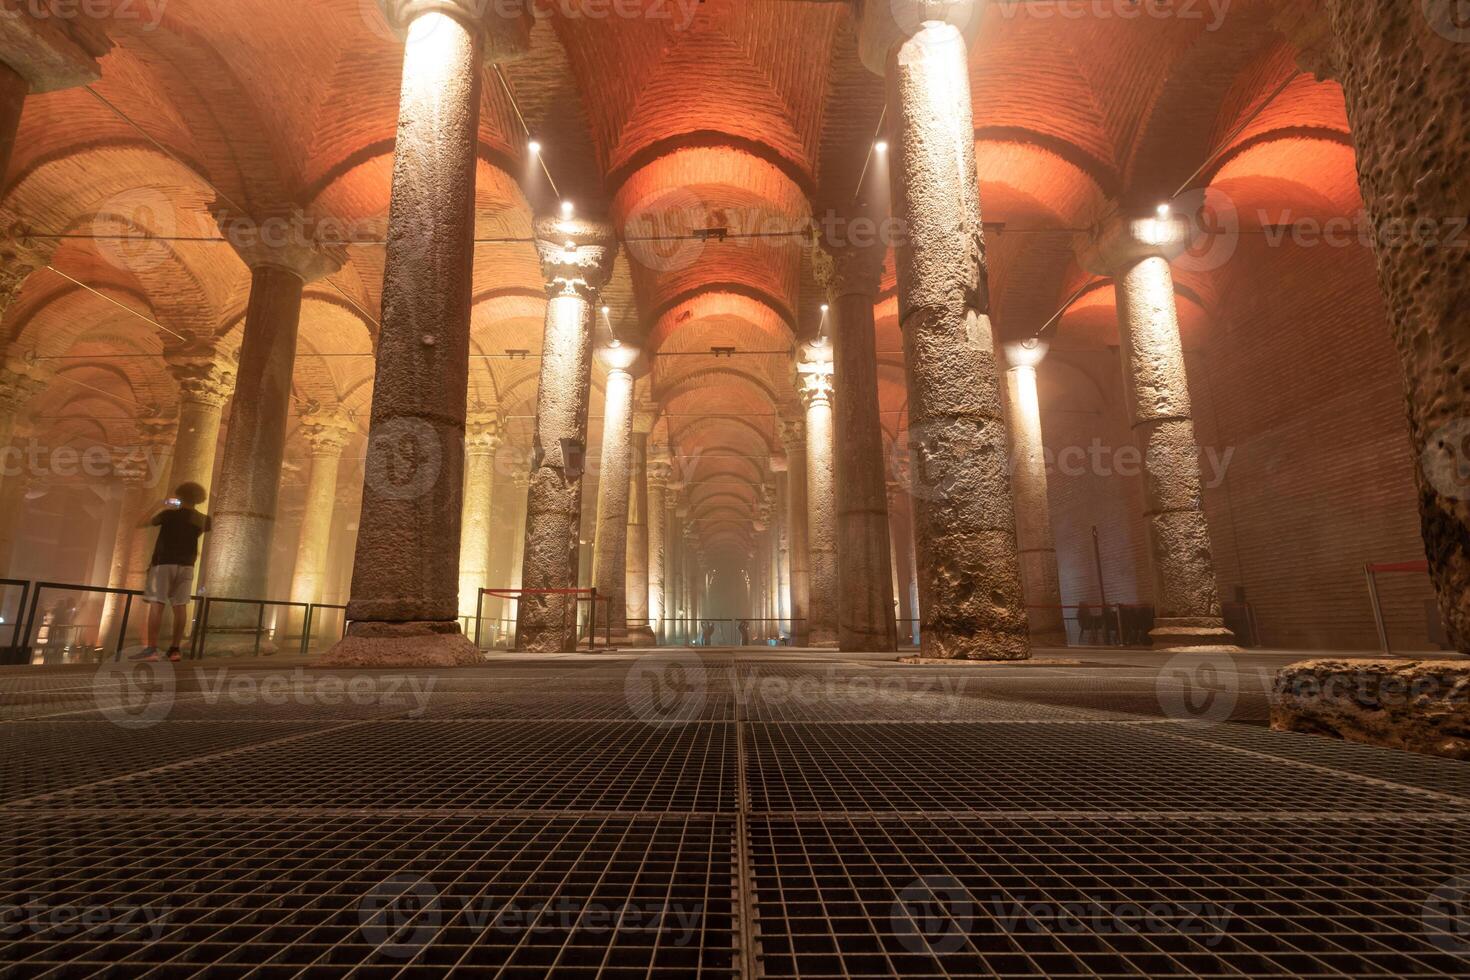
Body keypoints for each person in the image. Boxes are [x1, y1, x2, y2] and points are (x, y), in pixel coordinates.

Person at [130, 482, 210, 663]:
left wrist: (158, 505)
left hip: (163, 563)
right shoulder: (203, 519)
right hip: (187, 565)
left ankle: (151, 649)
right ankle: (175, 650)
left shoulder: (168, 515)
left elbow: (140, 524)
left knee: (157, 605)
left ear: (179, 496)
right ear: (199, 499)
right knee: (180, 607)